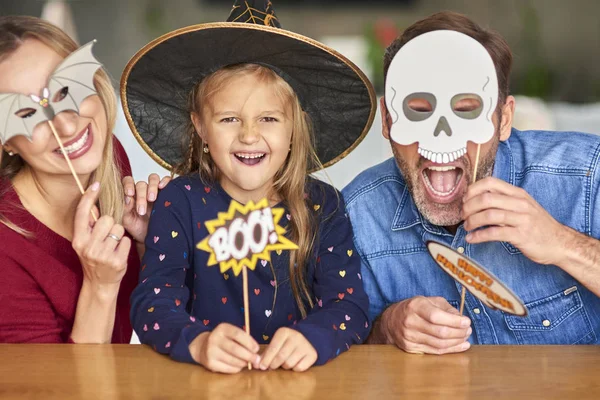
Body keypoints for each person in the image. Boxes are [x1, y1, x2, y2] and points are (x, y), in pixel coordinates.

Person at [124, 0, 375, 373]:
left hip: (299, 384)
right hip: (204, 382)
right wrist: (197, 341)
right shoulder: (180, 203)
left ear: (294, 128)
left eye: (269, 118)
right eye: (229, 118)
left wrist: (314, 337)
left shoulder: (323, 206)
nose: (249, 136)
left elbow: (349, 306)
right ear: (200, 127)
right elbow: (153, 303)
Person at [343, 11, 600, 355]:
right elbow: (337, 347)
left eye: (466, 109)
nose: (442, 133)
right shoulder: (356, 214)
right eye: (418, 109)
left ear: (503, 119)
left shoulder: (584, 174)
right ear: (388, 121)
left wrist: (563, 243)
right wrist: (386, 328)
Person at [0, 16, 167, 343]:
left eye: (64, 89)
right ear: (5, 140)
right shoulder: (6, 250)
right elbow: (62, 390)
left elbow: (144, 316)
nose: (65, 127)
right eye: (25, 114)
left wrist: (150, 244)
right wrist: (99, 286)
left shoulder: (109, 156)